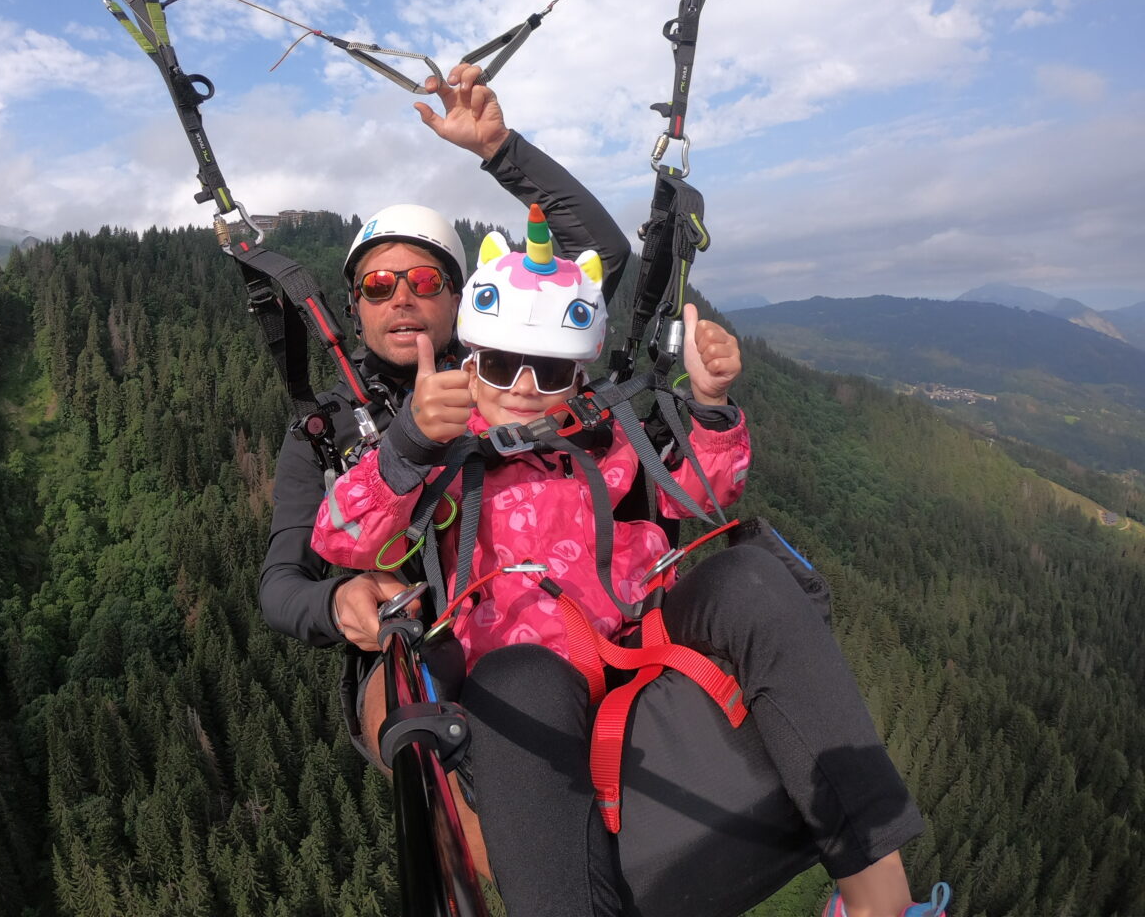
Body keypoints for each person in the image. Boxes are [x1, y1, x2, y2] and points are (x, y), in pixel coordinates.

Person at [306, 217, 949, 917]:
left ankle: (878, 899)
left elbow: (705, 492)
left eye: (548, 370)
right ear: (469, 360)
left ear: (577, 375)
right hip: (523, 665)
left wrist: (709, 405)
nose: (522, 387)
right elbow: (342, 538)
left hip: (640, 629)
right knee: (515, 682)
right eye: (499, 365)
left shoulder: (607, 438)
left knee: (751, 579)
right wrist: (408, 445)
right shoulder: (442, 458)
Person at [258, 63, 631, 657]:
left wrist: (499, 149)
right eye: (378, 284)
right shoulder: (325, 429)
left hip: (575, 616)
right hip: (435, 659)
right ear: (356, 307)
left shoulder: (515, 363)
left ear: (462, 299)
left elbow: (599, 258)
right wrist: (334, 603)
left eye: (425, 280)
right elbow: (281, 583)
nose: (401, 296)